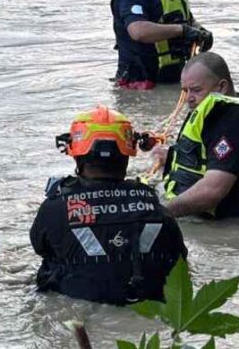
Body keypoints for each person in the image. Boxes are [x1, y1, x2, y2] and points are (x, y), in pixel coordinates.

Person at [31, 106, 187, 305]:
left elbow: (40, 247)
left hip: (78, 306)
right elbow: (180, 259)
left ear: (77, 155)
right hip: (149, 305)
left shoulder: (55, 208)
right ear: (127, 155)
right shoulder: (156, 206)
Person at [157, 52, 239, 219]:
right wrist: (170, 156)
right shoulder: (213, 110)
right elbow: (205, 155)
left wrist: (159, 213)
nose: (188, 99)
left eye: (196, 90)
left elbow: (212, 190)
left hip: (227, 224)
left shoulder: (232, 123)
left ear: (222, 87)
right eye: (185, 90)